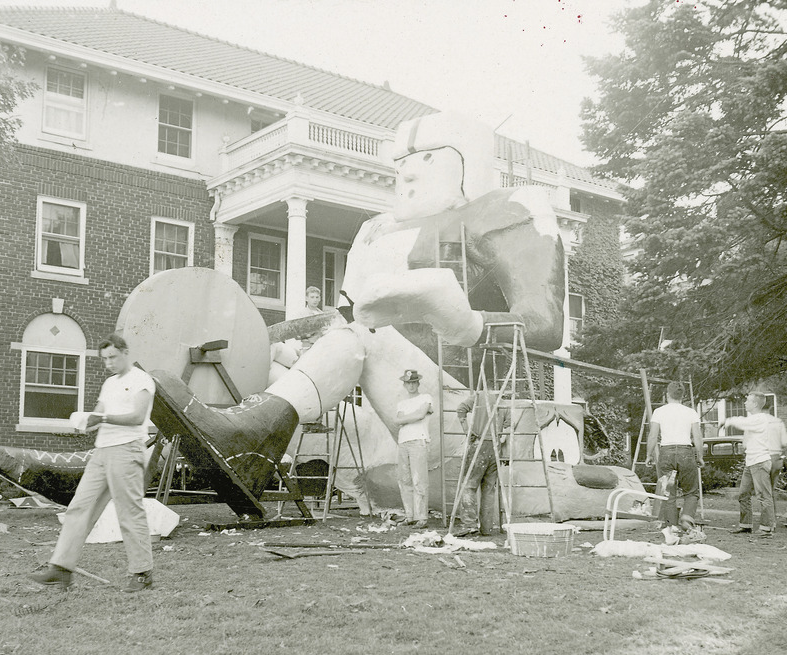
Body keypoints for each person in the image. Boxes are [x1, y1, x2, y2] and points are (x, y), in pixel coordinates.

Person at [149, 112, 565, 513]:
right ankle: (246, 447)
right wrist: (285, 350)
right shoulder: (377, 228)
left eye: (428, 156)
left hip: (461, 411)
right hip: (390, 418)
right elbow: (346, 322)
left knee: (365, 334)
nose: (409, 172)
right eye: (401, 161)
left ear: (466, 161)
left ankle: (247, 435)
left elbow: (545, 325)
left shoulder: (509, 208)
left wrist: (465, 321)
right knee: (272, 363)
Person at [30, 333, 157, 592]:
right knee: (79, 507)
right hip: (101, 451)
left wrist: (102, 418)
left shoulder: (141, 380)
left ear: (124, 352)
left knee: (129, 511)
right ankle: (62, 569)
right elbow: (97, 415)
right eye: (104, 359)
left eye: (112, 357)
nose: (108, 363)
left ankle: (142, 573)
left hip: (126, 449)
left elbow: (137, 417)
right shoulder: (109, 383)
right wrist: (83, 423)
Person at [646, 381, 705, 542]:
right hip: (686, 451)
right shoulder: (691, 412)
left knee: (669, 493)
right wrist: (699, 455)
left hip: (666, 452)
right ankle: (686, 517)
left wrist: (649, 455)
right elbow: (697, 436)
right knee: (691, 491)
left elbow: (653, 435)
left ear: (667, 394)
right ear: (683, 396)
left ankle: (671, 527)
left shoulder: (659, 411)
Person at [456, 391, 510, 535]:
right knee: (489, 489)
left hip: (479, 445)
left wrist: (467, 430)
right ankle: (486, 528)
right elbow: (509, 427)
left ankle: (469, 525)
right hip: (495, 448)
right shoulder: (502, 401)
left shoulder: (478, 396)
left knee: (469, 485)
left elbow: (461, 409)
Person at [726, 392, 777, 536]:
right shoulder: (754, 419)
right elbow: (748, 434)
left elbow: (743, 423)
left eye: (747, 400)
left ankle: (767, 528)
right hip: (751, 461)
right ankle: (745, 525)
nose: (744, 403)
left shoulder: (760, 418)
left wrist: (729, 420)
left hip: (760, 461)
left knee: (763, 495)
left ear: (755, 404)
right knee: (743, 494)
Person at [395, 370, 433, 528]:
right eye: (408, 383)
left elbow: (421, 415)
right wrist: (413, 416)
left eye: (413, 382)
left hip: (418, 440)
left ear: (418, 383)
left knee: (419, 480)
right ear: (404, 384)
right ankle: (409, 515)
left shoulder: (426, 398)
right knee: (404, 480)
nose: (411, 385)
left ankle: (422, 517)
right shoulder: (401, 403)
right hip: (403, 441)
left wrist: (406, 418)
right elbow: (396, 420)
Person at [766, 412, 787, 525]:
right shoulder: (778, 423)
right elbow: (784, 443)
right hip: (777, 457)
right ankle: (771, 518)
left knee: (766, 491)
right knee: (771, 489)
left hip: (764, 457)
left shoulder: (756, 422)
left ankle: (770, 519)